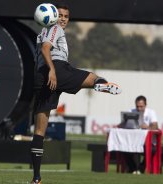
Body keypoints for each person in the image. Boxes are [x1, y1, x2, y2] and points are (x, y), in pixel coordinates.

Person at [30, 4, 121, 184]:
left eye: (66, 16)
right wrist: (53, 71)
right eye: (60, 15)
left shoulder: (41, 33)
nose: (63, 19)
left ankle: (36, 178)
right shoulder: (53, 28)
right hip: (56, 70)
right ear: (53, 16)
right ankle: (97, 86)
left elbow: (40, 52)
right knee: (95, 78)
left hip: (40, 80)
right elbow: (46, 49)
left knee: (39, 132)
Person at [131, 95, 158, 173]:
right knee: (126, 148)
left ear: (145, 105)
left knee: (151, 150)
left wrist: (148, 127)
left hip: (150, 143)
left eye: (141, 106)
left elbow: (155, 126)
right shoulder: (132, 111)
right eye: (137, 106)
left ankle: (140, 168)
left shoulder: (151, 112)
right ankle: (133, 169)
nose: (139, 109)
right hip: (135, 141)